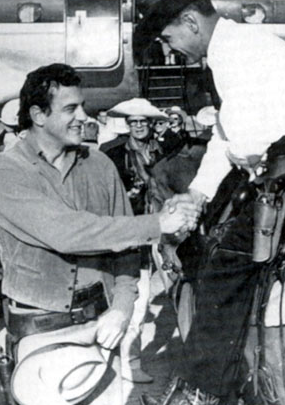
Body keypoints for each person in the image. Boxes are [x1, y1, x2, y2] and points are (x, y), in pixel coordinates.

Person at [134, 0, 285, 404]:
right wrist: (198, 192)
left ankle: (201, 392)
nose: (171, 48)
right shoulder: (241, 44)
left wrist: (239, 158)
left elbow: (247, 143)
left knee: (224, 268)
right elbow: (225, 131)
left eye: (170, 37)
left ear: (190, 21)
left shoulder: (232, 56)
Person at [0, 63, 200, 405]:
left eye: (83, 106)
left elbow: (126, 249)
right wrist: (157, 223)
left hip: (103, 327)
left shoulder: (99, 166)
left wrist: (123, 307)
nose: (84, 116)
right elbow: (65, 233)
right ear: (38, 115)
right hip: (38, 335)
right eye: (71, 108)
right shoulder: (3, 173)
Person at [100, 98, 167, 384]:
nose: (138, 126)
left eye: (143, 121)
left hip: (159, 230)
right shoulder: (112, 153)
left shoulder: (163, 151)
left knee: (144, 295)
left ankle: (126, 362)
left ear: (151, 124)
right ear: (127, 125)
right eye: (133, 122)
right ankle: (126, 363)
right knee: (130, 300)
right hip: (126, 231)